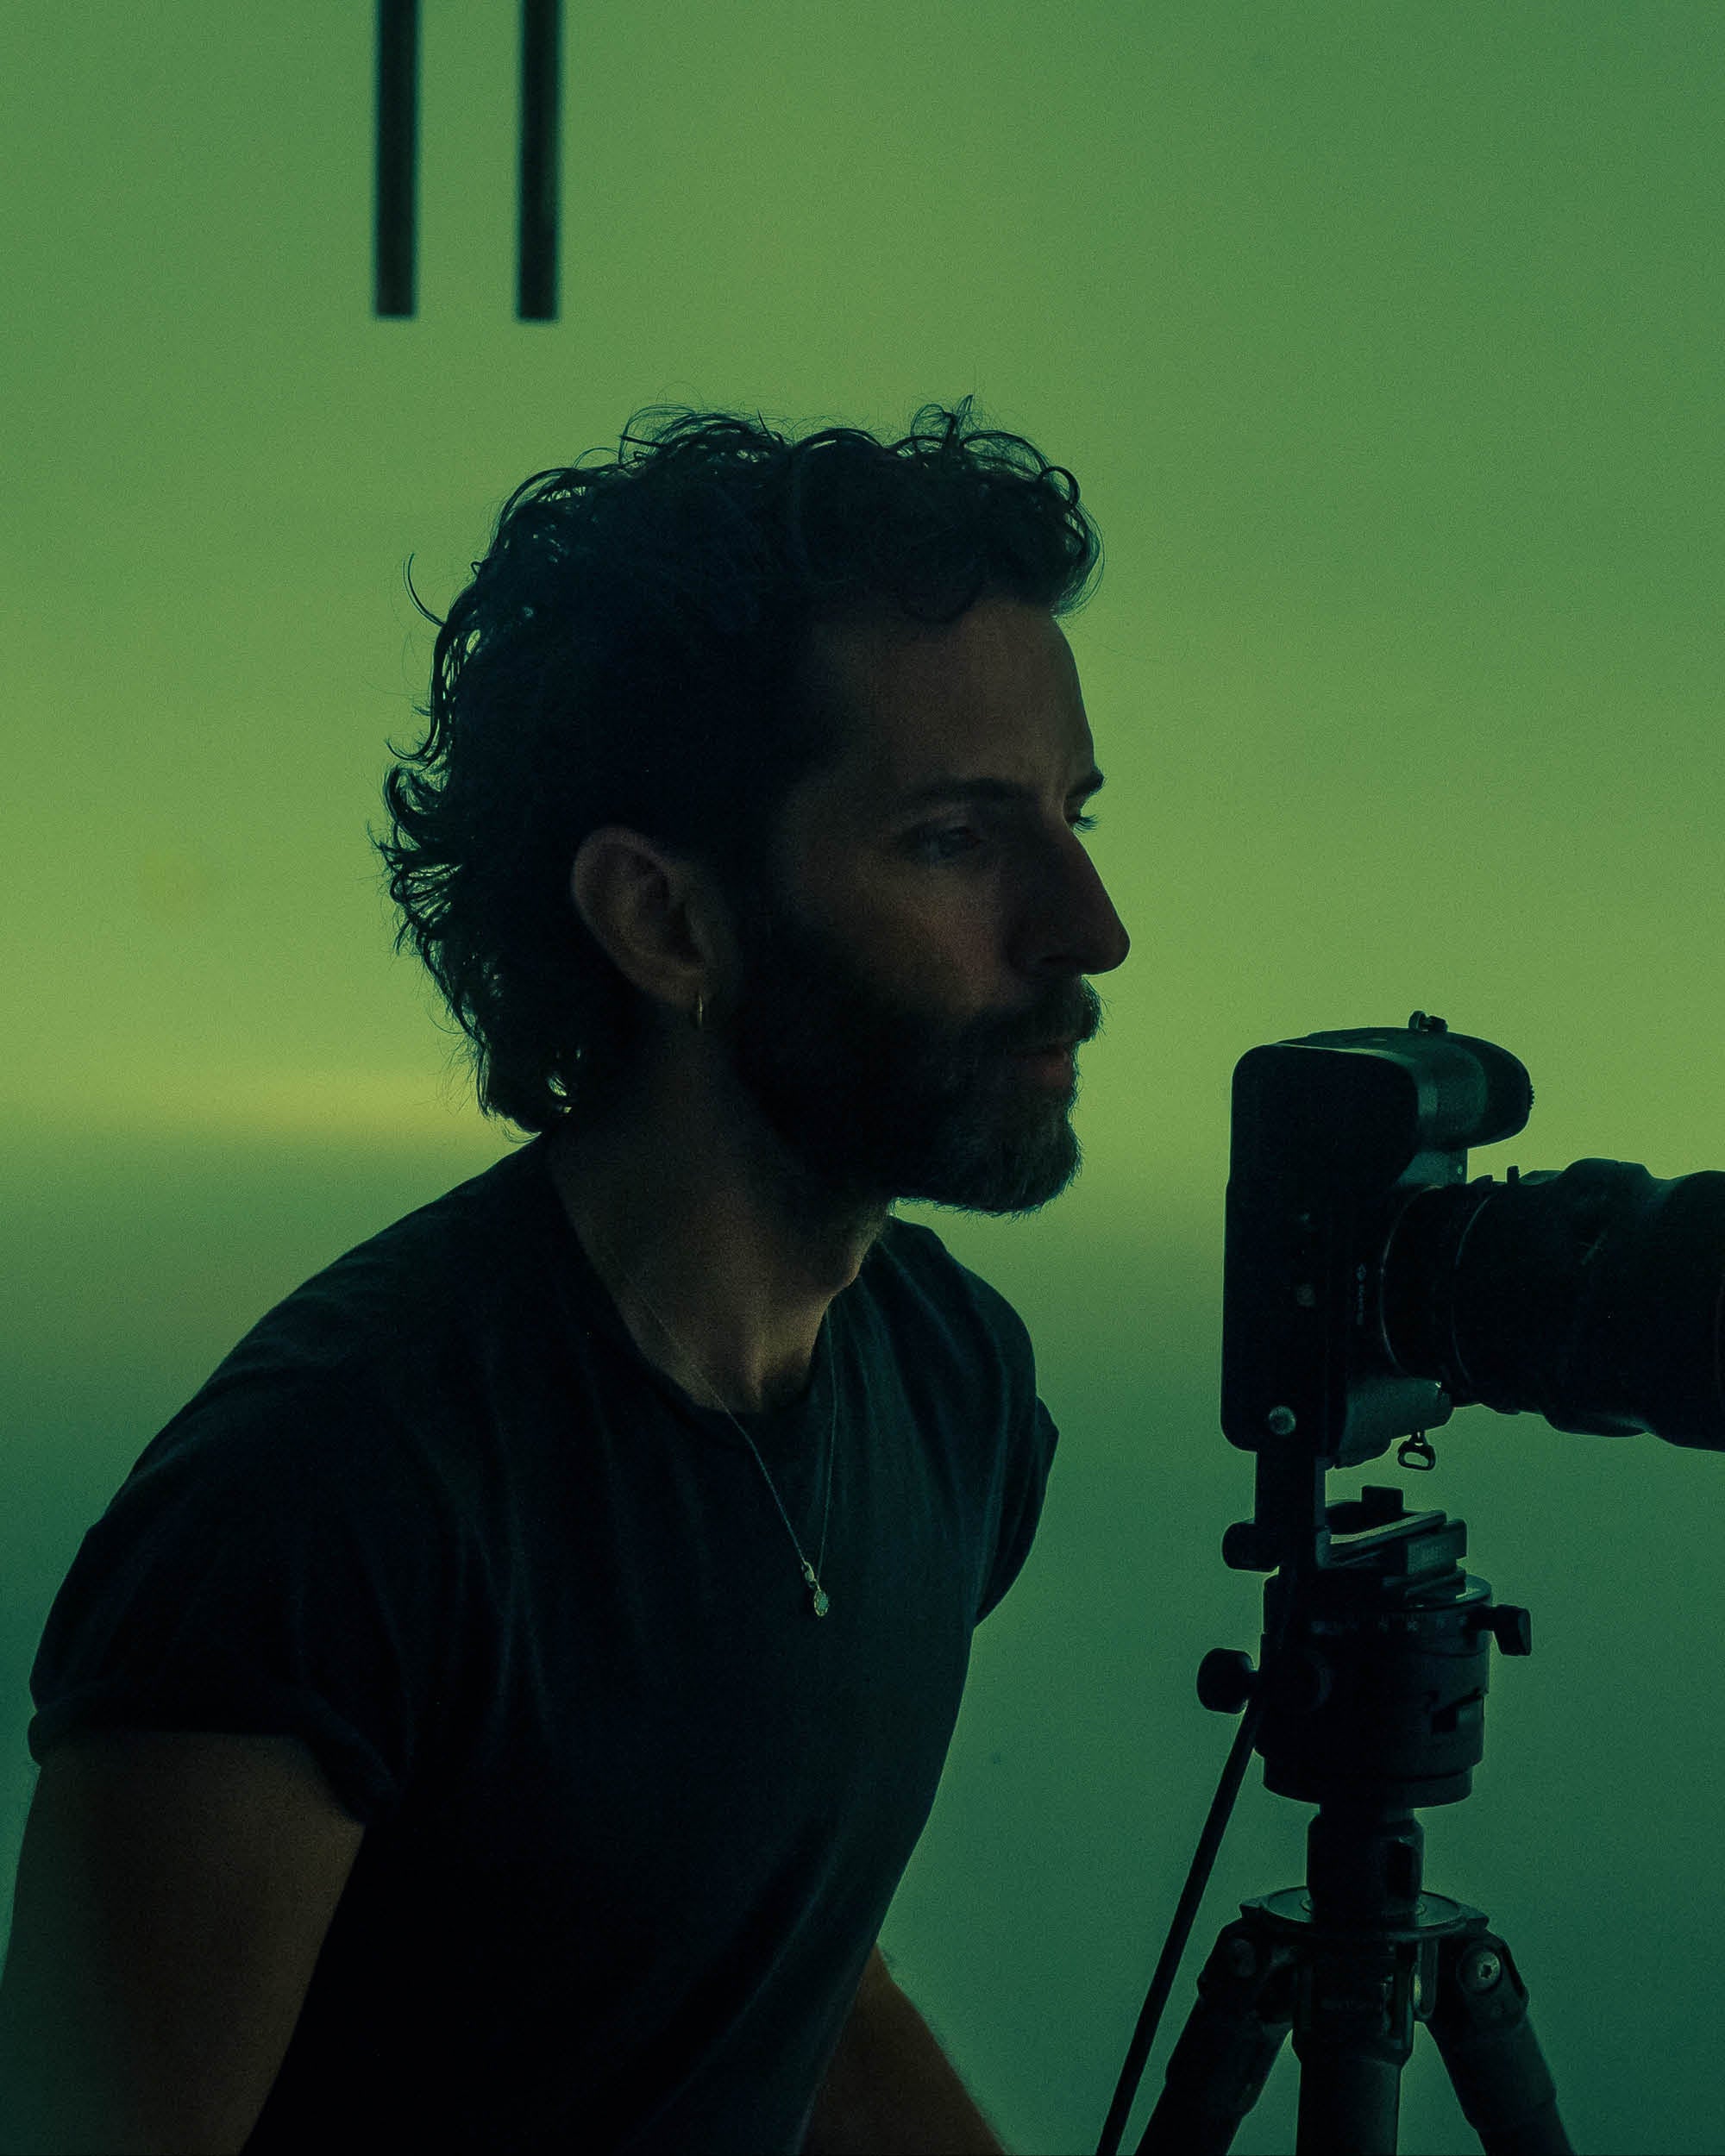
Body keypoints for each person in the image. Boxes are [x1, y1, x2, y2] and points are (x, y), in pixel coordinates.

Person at [2, 400, 1130, 2153]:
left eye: (1070, 813)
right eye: (955, 839)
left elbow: (781, 1979)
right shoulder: (321, 1508)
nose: (1088, 924)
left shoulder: (956, 1391)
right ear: (665, 922)